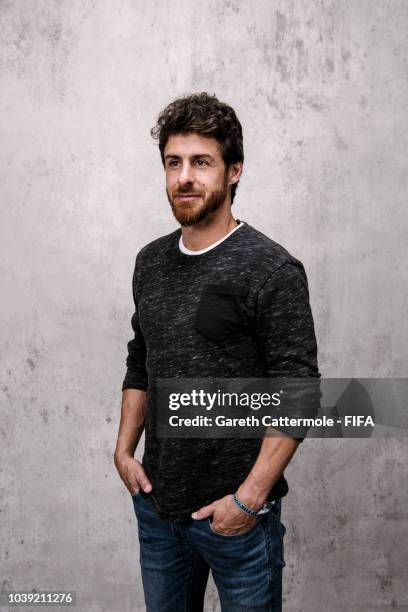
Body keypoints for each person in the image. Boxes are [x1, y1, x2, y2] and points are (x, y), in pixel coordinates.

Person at [114, 92, 320, 612]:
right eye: (173, 162)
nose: (185, 176)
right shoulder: (150, 262)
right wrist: (124, 449)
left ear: (233, 172)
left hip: (237, 523)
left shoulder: (270, 269)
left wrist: (248, 500)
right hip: (159, 512)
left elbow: (298, 395)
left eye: (201, 162)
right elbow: (142, 357)